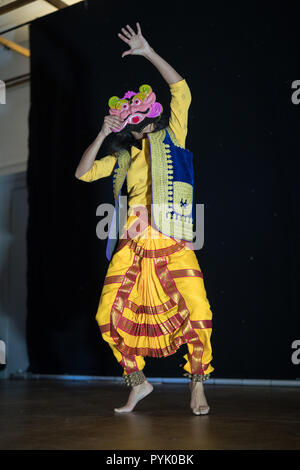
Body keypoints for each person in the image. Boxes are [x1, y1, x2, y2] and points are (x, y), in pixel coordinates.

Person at [75, 22, 214, 415]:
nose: (142, 120)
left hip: (173, 240)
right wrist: (103, 133)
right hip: (133, 244)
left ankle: (197, 388)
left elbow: (181, 90)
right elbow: (82, 172)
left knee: (199, 313)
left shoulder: (173, 137)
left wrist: (148, 51)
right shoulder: (123, 157)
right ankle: (138, 383)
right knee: (107, 315)